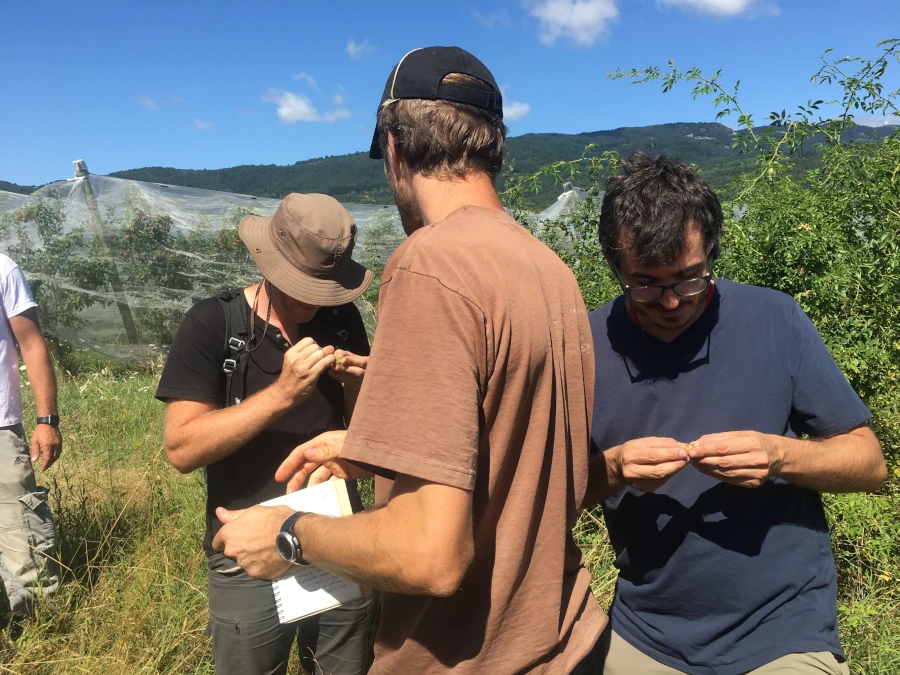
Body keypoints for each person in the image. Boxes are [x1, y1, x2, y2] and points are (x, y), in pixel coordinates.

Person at [211, 46, 608, 674]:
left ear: (393, 146)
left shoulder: (430, 264)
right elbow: (527, 455)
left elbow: (430, 555)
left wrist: (289, 534)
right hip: (568, 638)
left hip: (473, 659)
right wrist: (377, 448)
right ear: (494, 143)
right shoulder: (548, 268)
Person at [584, 152, 887, 675]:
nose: (672, 302)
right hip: (646, 634)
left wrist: (780, 456)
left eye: (689, 279)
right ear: (615, 268)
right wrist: (611, 471)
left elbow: (869, 465)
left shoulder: (776, 319)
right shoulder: (583, 346)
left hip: (782, 632)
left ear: (712, 254)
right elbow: (542, 501)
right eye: (646, 285)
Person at [155, 193, 377, 675]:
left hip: (338, 538)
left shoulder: (342, 319)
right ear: (269, 263)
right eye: (303, 286)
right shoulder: (213, 324)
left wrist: (357, 386)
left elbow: (362, 435)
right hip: (245, 550)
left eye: (326, 289)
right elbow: (182, 449)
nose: (315, 301)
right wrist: (282, 394)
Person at [0, 252, 61, 619]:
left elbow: (32, 343)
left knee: (21, 533)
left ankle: (40, 629)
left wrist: (47, 419)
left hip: (0, 428)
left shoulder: (2, 269)